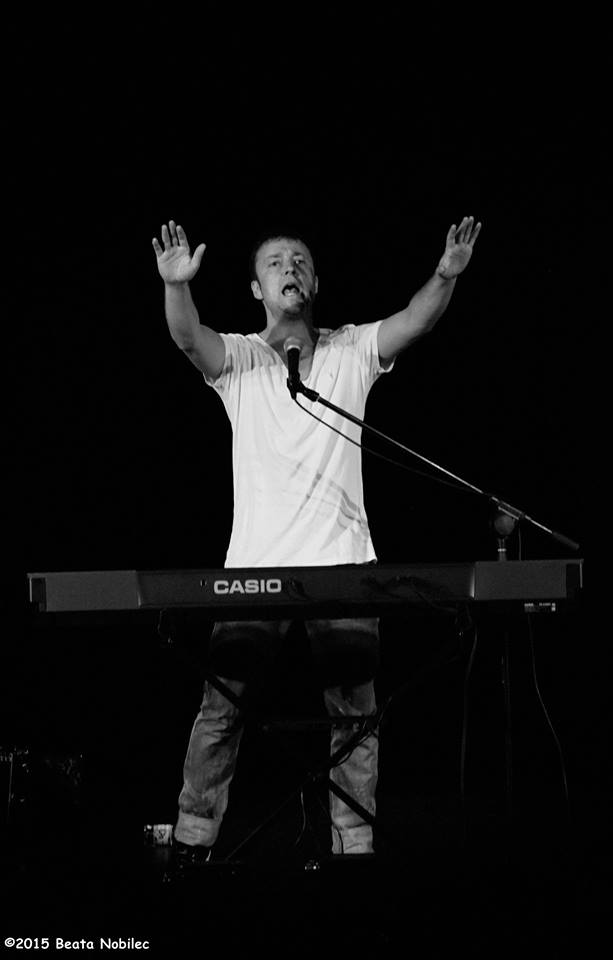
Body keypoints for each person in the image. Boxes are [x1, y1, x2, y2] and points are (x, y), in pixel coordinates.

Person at [152, 215, 481, 865]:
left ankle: (353, 845)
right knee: (220, 711)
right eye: (276, 262)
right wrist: (176, 286)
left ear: (316, 281)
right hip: (255, 569)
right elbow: (189, 338)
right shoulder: (241, 359)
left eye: (300, 260)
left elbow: (414, 320)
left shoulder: (351, 349)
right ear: (256, 288)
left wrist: (445, 275)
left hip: (345, 567)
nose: (290, 268)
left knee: (355, 714)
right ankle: (192, 842)